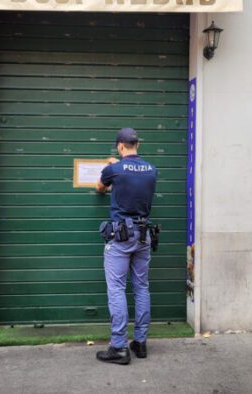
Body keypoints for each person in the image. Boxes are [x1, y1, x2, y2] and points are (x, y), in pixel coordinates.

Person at [95, 127, 157, 365]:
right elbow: (137, 187)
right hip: (143, 234)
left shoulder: (114, 169)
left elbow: (101, 187)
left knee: (117, 289)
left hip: (121, 236)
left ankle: (119, 347)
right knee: (141, 287)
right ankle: (140, 343)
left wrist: (112, 166)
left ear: (121, 146)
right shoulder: (152, 169)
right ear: (137, 145)